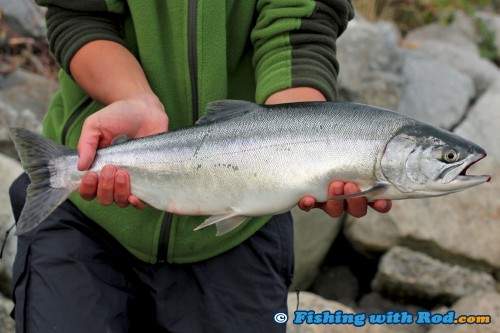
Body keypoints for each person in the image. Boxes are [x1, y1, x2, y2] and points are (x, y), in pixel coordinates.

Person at [9, 1, 391, 332]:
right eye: (448, 160)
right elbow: (79, 13)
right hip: (87, 222)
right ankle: (57, 173)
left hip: (240, 234)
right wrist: (133, 99)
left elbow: (302, 23)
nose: (453, 170)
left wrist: (299, 145)